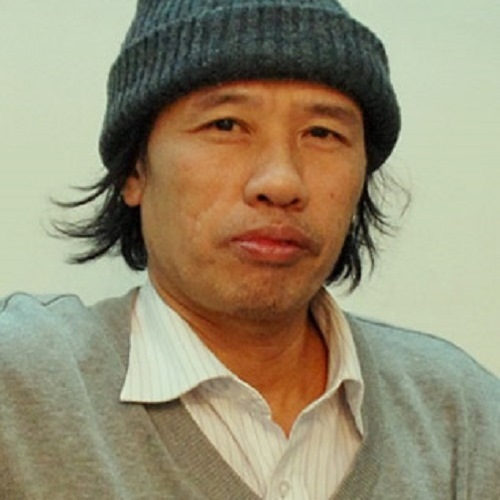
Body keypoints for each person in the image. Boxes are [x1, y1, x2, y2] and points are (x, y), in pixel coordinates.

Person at [0, 0, 498, 498]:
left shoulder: (464, 418)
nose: (281, 182)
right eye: (226, 125)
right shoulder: (21, 390)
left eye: (322, 133)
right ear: (135, 169)